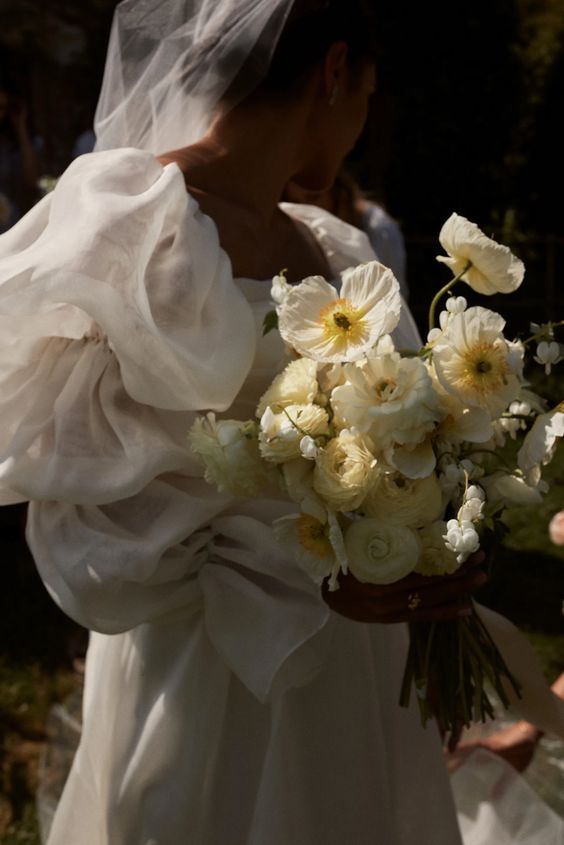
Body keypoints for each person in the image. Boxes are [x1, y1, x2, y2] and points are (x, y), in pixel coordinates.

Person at [0, 2, 562, 843]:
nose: (362, 121)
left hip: (356, 666)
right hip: (208, 666)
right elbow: (76, 489)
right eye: (367, 92)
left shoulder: (337, 252)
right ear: (334, 72)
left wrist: (418, 544)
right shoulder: (132, 221)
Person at [284, 167, 409, 299]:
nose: (305, 209)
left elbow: (395, 290)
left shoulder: (377, 226)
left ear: (338, 193)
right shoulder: (296, 233)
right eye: (295, 202)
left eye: (314, 198)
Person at [0, 78, 41, 233]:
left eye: (2, 108)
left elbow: (32, 179)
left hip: (8, 222)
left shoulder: (10, 145)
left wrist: (20, 126)